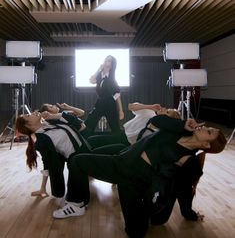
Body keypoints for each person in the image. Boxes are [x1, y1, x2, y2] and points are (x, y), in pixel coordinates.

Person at [53, 115, 226, 238]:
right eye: (209, 127)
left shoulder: (189, 160)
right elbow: (155, 120)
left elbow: (184, 189)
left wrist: (189, 214)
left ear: (205, 144)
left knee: (136, 233)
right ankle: (77, 203)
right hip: (121, 162)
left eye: (209, 132)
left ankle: (142, 211)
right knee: (76, 161)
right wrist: (182, 124)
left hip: (134, 182)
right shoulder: (179, 131)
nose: (205, 127)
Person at [15, 111, 126, 205]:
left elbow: (78, 123)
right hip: (80, 161)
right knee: (115, 173)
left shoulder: (50, 123)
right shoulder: (42, 141)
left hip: (88, 150)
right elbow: (48, 163)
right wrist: (43, 188)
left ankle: (124, 176)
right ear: (27, 125)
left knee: (120, 148)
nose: (33, 112)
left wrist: (54, 115)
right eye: (29, 116)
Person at [85, 55, 124, 134]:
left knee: (115, 128)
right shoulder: (100, 75)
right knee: (88, 123)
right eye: (106, 60)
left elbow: (117, 95)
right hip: (100, 103)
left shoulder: (112, 79)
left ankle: (120, 143)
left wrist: (121, 111)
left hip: (110, 104)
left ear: (112, 64)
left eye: (109, 60)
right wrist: (99, 69)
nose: (106, 61)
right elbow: (91, 80)